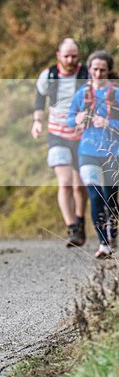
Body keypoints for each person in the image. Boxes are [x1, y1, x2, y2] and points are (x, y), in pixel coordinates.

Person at [32, 38, 89, 247]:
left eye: (74, 56)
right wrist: (37, 121)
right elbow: (39, 99)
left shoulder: (87, 75)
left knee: (79, 185)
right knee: (64, 182)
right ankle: (72, 228)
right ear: (58, 55)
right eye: (66, 56)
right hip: (57, 134)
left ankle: (81, 221)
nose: (70, 60)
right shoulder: (49, 75)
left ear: (79, 56)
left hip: (82, 135)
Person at [67, 50, 119, 259]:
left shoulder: (116, 94)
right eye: (94, 69)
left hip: (112, 152)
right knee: (95, 195)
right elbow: (70, 121)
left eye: (102, 70)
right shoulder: (82, 94)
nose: (98, 73)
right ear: (89, 70)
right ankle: (103, 243)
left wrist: (108, 123)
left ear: (108, 71)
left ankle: (112, 233)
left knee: (111, 198)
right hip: (87, 151)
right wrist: (77, 119)